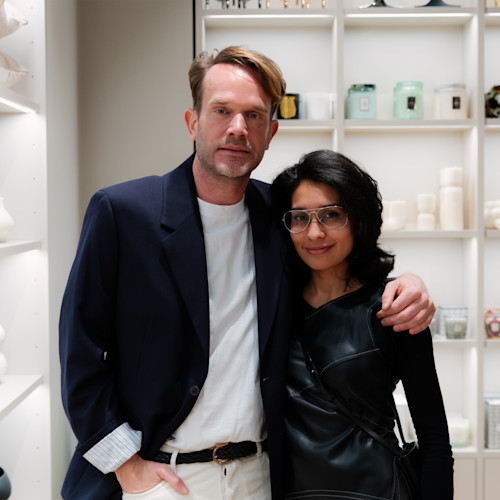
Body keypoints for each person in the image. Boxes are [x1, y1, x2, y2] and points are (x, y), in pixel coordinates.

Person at [59, 46, 436, 500]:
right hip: (162, 475)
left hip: (260, 475)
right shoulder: (123, 213)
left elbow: (336, 267)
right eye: (222, 111)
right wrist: (126, 464)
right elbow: (80, 351)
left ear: (270, 132)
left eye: (254, 116)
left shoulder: (280, 216)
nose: (238, 128)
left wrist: (407, 285)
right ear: (192, 122)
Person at [270, 149, 454, 500]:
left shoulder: (394, 308)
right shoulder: (271, 307)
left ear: (358, 218)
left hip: (379, 490)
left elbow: (434, 440)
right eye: (300, 218)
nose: (314, 233)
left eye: (331, 215)